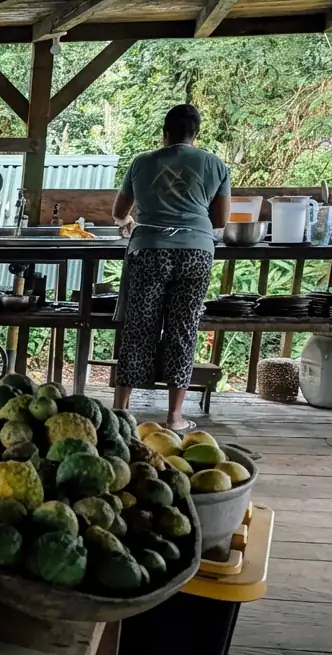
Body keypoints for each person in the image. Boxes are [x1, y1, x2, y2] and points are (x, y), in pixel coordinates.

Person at [111, 104, 230, 431]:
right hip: (196, 253)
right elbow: (220, 220)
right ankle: (175, 417)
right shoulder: (215, 164)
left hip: (149, 250)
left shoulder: (141, 163)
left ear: (165, 132)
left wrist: (131, 220)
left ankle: (121, 411)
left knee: (139, 328)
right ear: (196, 133)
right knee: (183, 330)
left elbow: (119, 211)